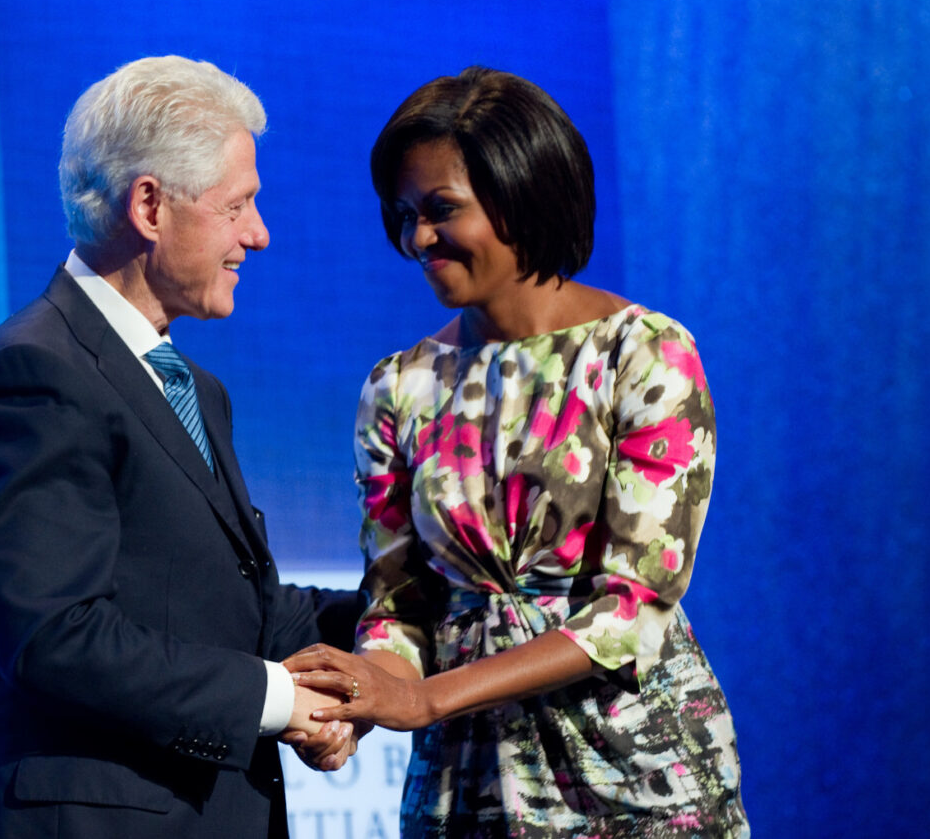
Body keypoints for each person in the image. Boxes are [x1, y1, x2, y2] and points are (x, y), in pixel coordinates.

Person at [284, 67, 749, 837]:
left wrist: (424, 697)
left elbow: (629, 613)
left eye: (441, 211)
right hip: (466, 777)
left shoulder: (644, 353)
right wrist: (364, 697)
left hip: (636, 767)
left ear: (523, 191)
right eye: (404, 215)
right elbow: (399, 605)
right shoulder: (398, 386)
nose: (418, 239)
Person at [0, 55, 361, 839]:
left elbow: (234, 613)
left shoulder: (194, 387)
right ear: (151, 206)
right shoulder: (31, 375)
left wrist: (413, 626)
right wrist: (278, 702)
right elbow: (54, 635)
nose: (257, 236)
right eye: (238, 206)